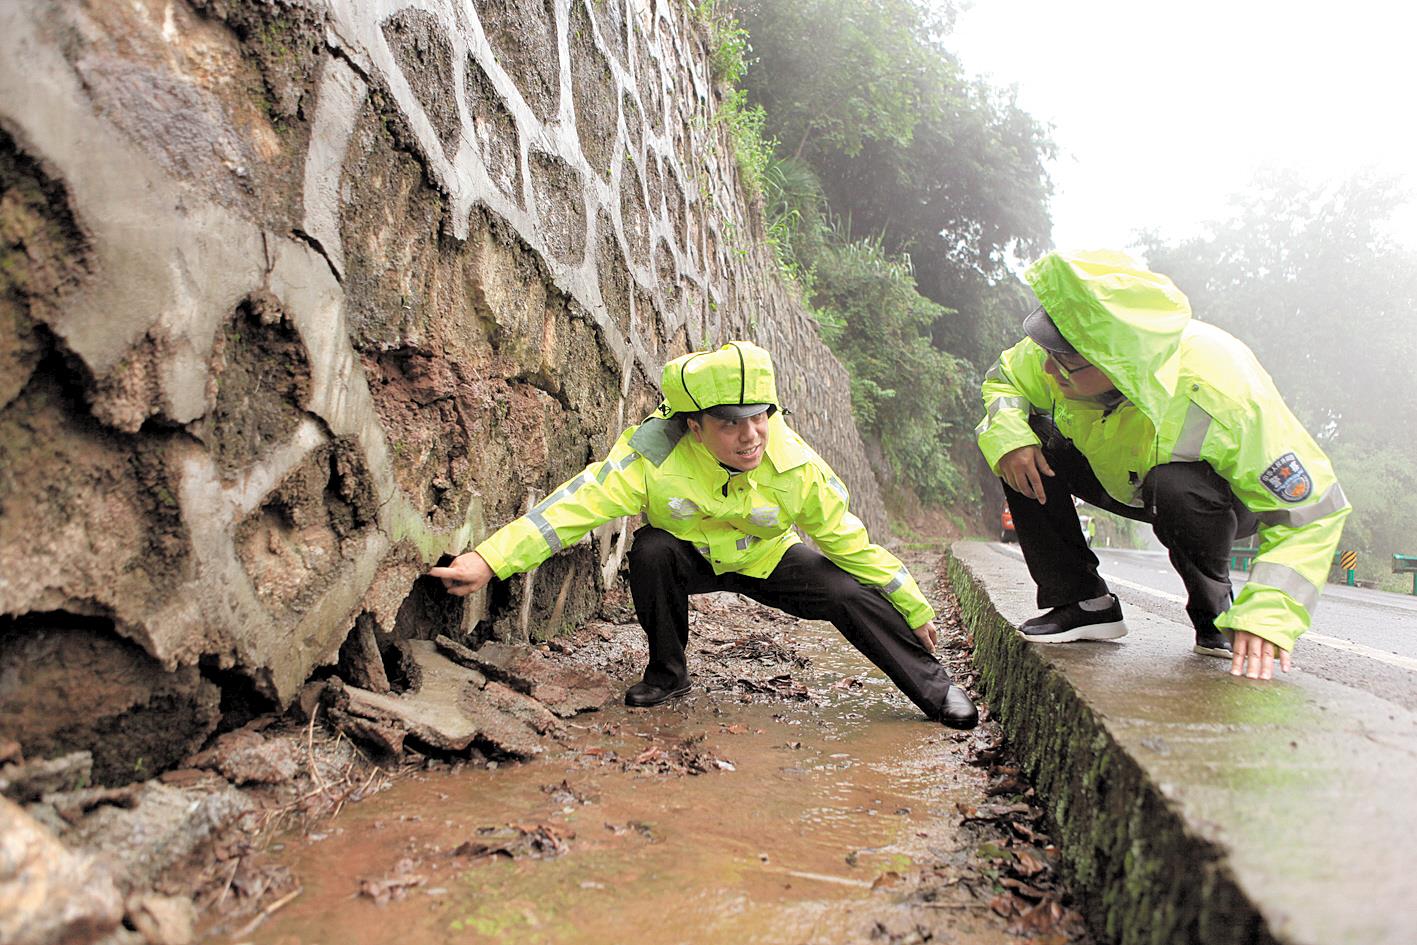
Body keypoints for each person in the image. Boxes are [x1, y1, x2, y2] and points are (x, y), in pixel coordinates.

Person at [431, 341, 979, 728]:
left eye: (759, 417)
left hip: (767, 559)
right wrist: (489, 560)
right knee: (649, 549)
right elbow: (573, 506)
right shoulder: (652, 456)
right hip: (688, 558)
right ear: (694, 426)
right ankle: (668, 673)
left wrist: (913, 604)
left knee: (847, 590)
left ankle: (935, 690)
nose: (750, 436)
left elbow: (850, 542)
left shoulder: (793, 465)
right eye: (729, 423)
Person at [976, 250, 1349, 680]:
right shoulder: (1066, 348)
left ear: (1123, 365)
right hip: (1118, 475)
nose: (1048, 370)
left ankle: (1214, 616)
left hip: (1207, 495)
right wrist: (1010, 436)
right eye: (1049, 355)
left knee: (1175, 487)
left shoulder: (1222, 387)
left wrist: (1269, 613)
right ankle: (1083, 603)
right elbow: (1004, 377)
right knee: (1020, 441)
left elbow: (1313, 509)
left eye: (1065, 365)